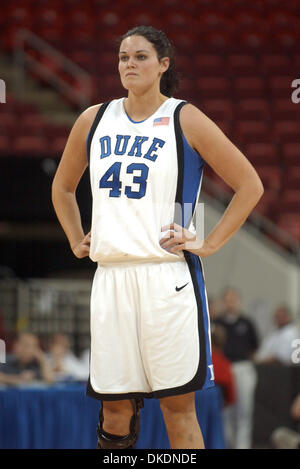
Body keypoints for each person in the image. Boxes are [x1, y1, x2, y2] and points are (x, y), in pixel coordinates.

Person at [51, 25, 263, 450]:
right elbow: (62, 188)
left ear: (164, 65)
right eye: (124, 57)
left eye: (141, 56)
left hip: (168, 280)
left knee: (176, 411)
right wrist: (76, 238)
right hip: (112, 279)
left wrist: (210, 243)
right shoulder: (93, 119)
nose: (129, 64)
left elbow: (249, 184)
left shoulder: (185, 117)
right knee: (114, 411)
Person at [215, 287, 259, 449]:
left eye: (233, 299)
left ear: (238, 301)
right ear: (223, 302)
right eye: (227, 299)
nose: (230, 303)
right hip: (223, 369)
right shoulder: (217, 323)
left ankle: (243, 445)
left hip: (242, 367)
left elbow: (255, 346)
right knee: (225, 410)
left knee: (244, 410)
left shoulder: (246, 322)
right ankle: (227, 444)